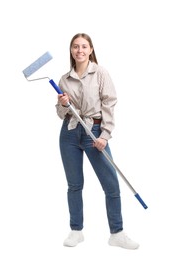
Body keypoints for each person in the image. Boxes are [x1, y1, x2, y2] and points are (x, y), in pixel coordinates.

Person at [55, 33, 139, 249]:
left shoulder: (100, 72)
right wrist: (63, 103)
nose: (79, 50)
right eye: (75, 47)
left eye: (84, 46)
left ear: (91, 49)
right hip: (70, 133)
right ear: (71, 50)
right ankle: (76, 231)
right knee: (74, 185)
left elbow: (109, 103)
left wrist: (104, 135)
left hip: (94, 130)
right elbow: (60, 113)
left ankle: (117, 233)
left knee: (111, 184)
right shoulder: (65, 78)